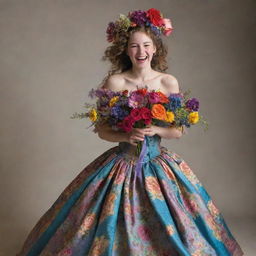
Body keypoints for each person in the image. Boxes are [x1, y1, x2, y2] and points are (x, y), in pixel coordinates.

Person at [17, 9, 244, 256]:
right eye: (134, 46)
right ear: (126, 50)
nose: (141, 52)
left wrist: (156, 128)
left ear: (155, 48)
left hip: (157, 163)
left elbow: (177, 131)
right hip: (123, 161)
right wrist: (126, 137)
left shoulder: (168, 82)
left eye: (146, 45)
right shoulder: (116, 82)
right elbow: (102, 130)